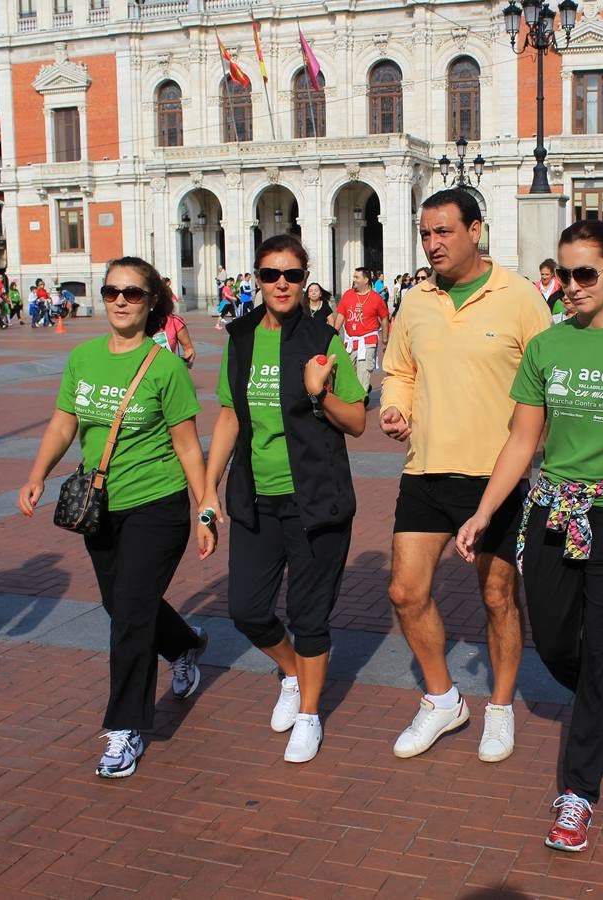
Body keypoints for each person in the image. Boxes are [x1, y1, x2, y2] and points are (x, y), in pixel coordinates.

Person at [454, 220, 603, 852]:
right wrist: (484, 513)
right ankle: (602, 690)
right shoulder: (547, 348)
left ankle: (578, 792)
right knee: (560, 644)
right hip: (557, 518)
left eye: (585, 273)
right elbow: (521, 439)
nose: (570, 286)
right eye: (562, 274)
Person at [17, 256, 212, 779]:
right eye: (111, 291)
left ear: (152, 302)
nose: (120, 300)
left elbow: (189, 447)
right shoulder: (83, 357)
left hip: (158, 504)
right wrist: (38, 473)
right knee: (120, 602)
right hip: (99, 507)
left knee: (129, 613)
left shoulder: (165, 366)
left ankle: (125, 729)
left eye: (132, 292)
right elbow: (64, 423)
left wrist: (207, 508)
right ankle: (185, 644)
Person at [379, 188, 551, 763]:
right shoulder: (416, 300)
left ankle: (499, 708)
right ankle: (443, 699)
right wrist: (395, 406)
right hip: (424, 469)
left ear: (476, 231)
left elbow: (548, 378)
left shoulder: (520, 297)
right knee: (405, 591)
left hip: (494, 476)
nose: (433, 244)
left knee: (499, 597)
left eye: (444, 232)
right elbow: (400, 368)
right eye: (426, 233)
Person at [200, 236, 367, 764]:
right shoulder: (241, 337)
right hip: (255, 496)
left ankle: (310, 714)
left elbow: (357, 421)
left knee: (309, 614)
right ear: (255, 278)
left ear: (306, 279)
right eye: (271, 274)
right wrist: (207, 490)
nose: (281, 284)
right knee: (246, 608)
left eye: (292, 275)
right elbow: (229, 416)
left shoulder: (322, 338)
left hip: (315, 498)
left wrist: (320, 392)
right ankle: (291, 672)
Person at [333, 267, 390, 399]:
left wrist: (385, 340)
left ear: (365, 280)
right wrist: (334, 334)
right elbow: (341, 315)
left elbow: (384, 318)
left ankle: (359, 402)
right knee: (348, 372)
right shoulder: (348, 295)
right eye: (354, 277)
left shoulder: (376, 298)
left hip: (367, 341)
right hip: (350, 341)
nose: (354, 280)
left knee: (363, 373)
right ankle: (357, 393)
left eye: (357, 277)